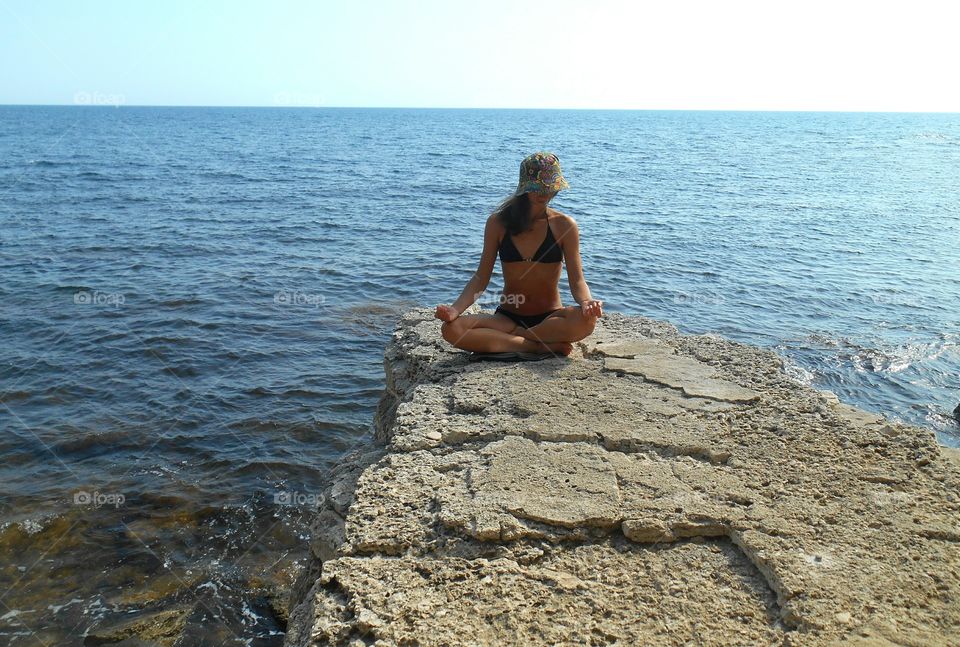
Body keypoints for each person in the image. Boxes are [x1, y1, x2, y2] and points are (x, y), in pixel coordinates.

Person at [435, 151, 603, 357]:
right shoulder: (497, 223)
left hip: (550, 319)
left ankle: (520, 339)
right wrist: (455, 310)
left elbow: (577, 281)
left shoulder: (565, 226)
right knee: (452, 329)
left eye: (549, 187)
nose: (544, 193)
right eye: (537, 187)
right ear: (524, 186)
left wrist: (586, 302)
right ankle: (534, 346)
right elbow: (480, 278)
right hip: (507, 318)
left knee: (586, 322)